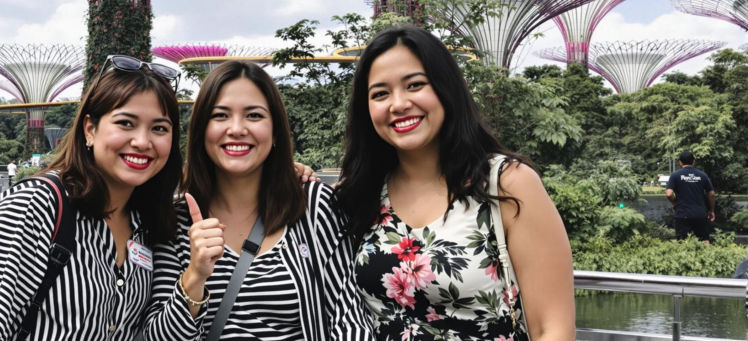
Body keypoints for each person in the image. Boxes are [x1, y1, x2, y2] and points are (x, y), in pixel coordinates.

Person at [336, 25, 574, 341]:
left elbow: (552, 329)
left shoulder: (507, 183)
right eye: (380, 93)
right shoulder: (359, 194)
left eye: (415, 85)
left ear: (445, 87)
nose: (398, 104)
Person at [0, 55, 183, 341]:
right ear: (90, 129)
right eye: (126, 123)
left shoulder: (145, 223)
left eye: (159, 128)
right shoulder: (33, 206)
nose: (143, 142)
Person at [143, 60, 374, 341]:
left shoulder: (313, 206)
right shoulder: (176, 220)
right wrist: (194, 276)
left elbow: (347, 318)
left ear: (275, 130)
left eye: (253, 116)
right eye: (220, 116)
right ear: (202, 130)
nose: (237, 129)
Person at [666, 151, 716, 243]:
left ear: (680, 162)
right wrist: (711, 210)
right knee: (705, 240)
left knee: (682, 242)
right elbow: (711, 194)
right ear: (693, 161)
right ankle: (707, 256)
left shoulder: (675, 175)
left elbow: (669, 194)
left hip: (682, 213)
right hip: (700, 213)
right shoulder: (702, 175)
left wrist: (674, 202)